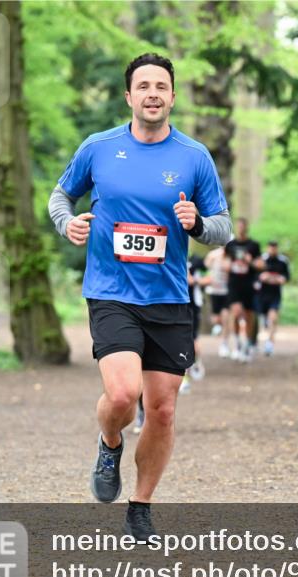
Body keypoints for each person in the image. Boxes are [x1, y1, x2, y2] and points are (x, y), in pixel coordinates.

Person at [47, 53, 232, 539]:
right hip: (111, 292)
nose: (153, 94)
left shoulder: (194, 156)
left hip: (168, 297)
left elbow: (224, 227)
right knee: (124, 394)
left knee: (163, 410)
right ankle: (110, 442)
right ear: (129, 96)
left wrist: (199, 224)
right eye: (144, 86)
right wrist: (67, 223)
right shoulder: (99, 148)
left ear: (173, 97)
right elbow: (60, 196)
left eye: (161, 86)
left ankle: (141, 505)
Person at [224, 218, 264, 363]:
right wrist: (228, 266)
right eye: (238, 226)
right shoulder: (230, 245)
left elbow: (261, 265)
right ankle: (237, 345)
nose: (240, 228)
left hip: (249, 284)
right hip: (234, 283)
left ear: (246, 228)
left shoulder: (254, 245)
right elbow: (224, 262)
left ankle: (247, 345)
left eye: (243, 226)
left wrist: (249, 260)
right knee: (235, 312)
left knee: (248, 315)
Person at [181, 253, 208, 394]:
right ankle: (185, 376)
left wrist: (195, 280)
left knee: (191, 340)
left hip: (192, 307)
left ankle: (195, 363)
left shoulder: (196, 261)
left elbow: (211, 276)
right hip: (174, 306)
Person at [258, 241, 290, 356]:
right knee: (261, 320)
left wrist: (278, 279)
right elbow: (256, 276)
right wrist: (263, 278)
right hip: (261, 295)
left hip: (275, 295)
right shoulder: (262, 259)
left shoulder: (283, 261)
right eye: (271, 248)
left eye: (274, 248)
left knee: (273, 318)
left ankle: (269, 344)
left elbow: (286, 277)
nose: (273, 250)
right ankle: (253, 342)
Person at [204, 246, 231, 357]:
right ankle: (217, 326)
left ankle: (224, 344)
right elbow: (206, 265)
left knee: (226, 317)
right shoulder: (214, 254)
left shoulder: (231, 255)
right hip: (214, 290)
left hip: (227, 291)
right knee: (216, 318)